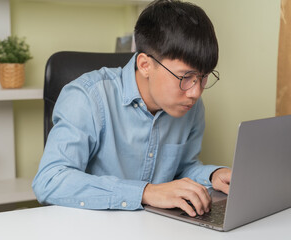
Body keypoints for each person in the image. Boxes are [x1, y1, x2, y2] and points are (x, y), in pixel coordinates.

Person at [33, 0, 231, 217]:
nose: (196, 91)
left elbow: (181, 169)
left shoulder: (190, 106)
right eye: (186, 77)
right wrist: (145, 192)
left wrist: (212, 175)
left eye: (203, 77)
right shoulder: (87, 97)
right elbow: (50, 180)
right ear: (145, 65)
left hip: (156, 227)